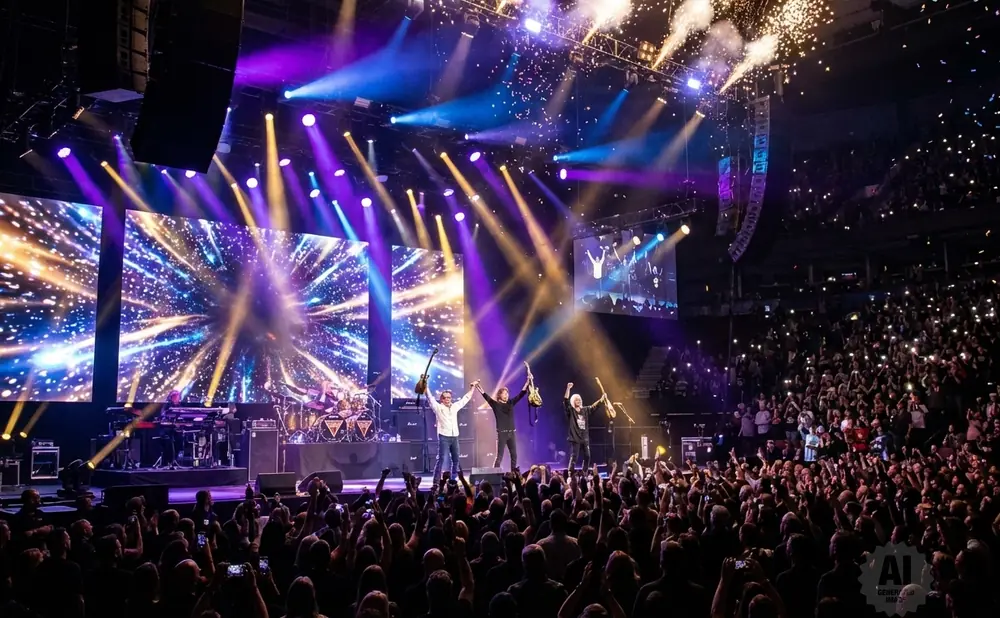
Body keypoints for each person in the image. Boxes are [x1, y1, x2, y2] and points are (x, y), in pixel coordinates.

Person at [476, 372, 531, 471]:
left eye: (507, 393)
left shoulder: (510, 403)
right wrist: (478, 386)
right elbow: (485, 395)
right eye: (504, 393)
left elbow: (521, 393)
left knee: (514, 455)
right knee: (499, 456)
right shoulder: (495, 405)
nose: (506, 395)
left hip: (512, 433)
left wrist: (528, 382)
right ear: (499, 395)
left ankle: (513, 475)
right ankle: (495, 474)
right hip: (502, 434)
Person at [426, 382, 478, 481]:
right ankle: (436, 481)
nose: (447, 399)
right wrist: (426, 387)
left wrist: (472, 388)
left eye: (449, 397)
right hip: (444, 436)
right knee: (441, 459)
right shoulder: (438, 408)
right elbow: (430, 398)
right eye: (445, 398)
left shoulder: (454, 407)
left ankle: (453, 480)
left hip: (454, 437)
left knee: (456, 460)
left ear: (451, 398)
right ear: (442, 399)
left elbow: (465, 399)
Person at [562, 383, 606, 473]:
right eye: (576, 400)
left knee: (588, 456)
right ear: (573, 401)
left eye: (579, 400)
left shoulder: (585, 410)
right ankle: (570, 473)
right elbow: (565, 400)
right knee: (574, 456)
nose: (578, 401)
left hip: (584, 438)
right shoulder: (571, 411)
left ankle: (584, 472)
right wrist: (568, 388)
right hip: (575, 438)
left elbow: (593, 407)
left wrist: (601, 400)